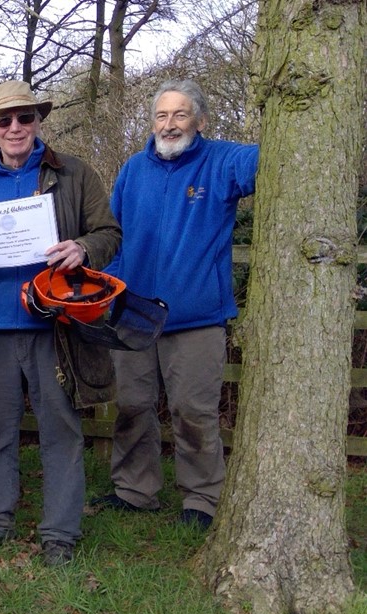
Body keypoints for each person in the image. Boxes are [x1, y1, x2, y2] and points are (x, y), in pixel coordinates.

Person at [0, 80, 121, 566]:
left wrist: (82, 248)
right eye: (4, 120)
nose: (15, 127)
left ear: (39, 121)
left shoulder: (75, 174)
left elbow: (109, 232)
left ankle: (60, 531)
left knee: (60, 428)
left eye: (25, 118)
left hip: (54, 325)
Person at [91, 79, 259, 530]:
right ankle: (134, 490)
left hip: (196, 316)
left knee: (194, 412)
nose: (170, 125)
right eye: (162, 116)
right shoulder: (132, 169)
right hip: (133, 313)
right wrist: (111, 287)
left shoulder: (221, 161)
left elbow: (271, 159)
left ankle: (202, 500)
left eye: (180, 115)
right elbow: (114, 234)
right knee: (131, 405)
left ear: (200, 121)